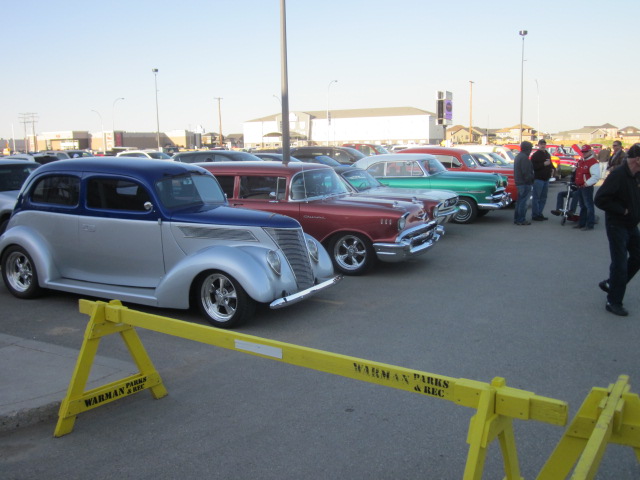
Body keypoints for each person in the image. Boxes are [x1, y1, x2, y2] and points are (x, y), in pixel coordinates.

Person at [594, 143, 640, 316]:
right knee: (620, 263)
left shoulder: (636, 174)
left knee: (638, 256)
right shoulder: (618, 175)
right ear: (638, 159)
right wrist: (622, 210)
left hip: (631, 224)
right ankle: (613, 301)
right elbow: (600, 199)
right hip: (617, 224)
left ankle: (612, 284)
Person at [573, 144, 600, 230]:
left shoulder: (593, 162)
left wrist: (586, 183)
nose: (584, 153)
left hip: (586, 187)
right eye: (583, 152)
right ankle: (582, 223)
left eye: (585, 152)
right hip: (580, 186)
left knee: (588, 205)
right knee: (582, 206)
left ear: (590, 152)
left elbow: (596, 176)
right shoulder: (581, 161)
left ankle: (590, 224)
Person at [530, 139, 553, 221]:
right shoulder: (535, 155)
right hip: (538, 179)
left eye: (544, 144)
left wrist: (553, 169)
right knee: (536, 198)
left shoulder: (547, 154)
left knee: (543, 197)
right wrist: (543, 164)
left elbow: (550, 164)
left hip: (546, 179)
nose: (543, 146)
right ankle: (535, 215)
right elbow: (533, 167)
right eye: (541, 144)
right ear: (538, 145)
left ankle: (540, 213)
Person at [513, 141, 534, 225]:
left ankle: (517, 219)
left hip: (519, 182)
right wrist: (531, 180)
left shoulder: (518, 156)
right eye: (530, 148)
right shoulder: (524, 158)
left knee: (519, 202)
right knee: (523, 202)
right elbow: (526, 172)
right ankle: (521, 219)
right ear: (527, 149)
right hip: (524, 183)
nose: (531, 150)